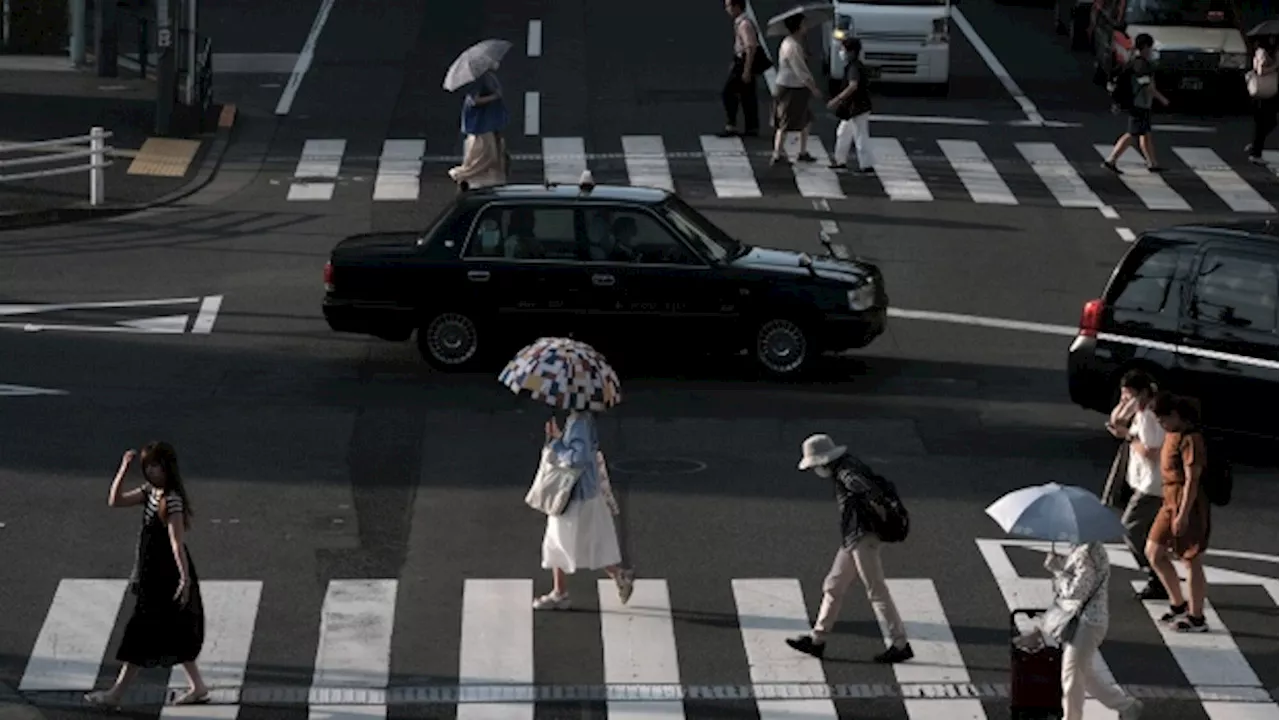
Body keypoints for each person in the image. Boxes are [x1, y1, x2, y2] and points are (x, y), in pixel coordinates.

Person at [85, 442, 208, 709]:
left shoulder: (171, 498)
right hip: (151, 571)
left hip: (164, 576)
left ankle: (116, 695)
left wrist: (184, 578)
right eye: (149, 466)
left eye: (157, 466)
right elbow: (115, 501)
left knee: (140, 633)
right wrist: (123, 469)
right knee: (174, 630)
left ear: (168, 468)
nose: (152, 471)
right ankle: (197, 686)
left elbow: (176, 542)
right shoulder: (151, 491)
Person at [785, 434, 914, 663]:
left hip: (862, 536)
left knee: (876, 590)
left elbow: (870, 493)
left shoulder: (847, 474)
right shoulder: (848, 465)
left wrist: (879, 517)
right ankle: (817, 640)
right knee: (834, 585)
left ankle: (899, 643)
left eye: (815, 465)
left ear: (824, 461)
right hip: (854, 537)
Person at [533, 410, 635, 610]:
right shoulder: (584, 420)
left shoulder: (578, 422)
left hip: (574, 494)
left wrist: (556, 442)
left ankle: (560, 593)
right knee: (588, 541)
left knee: (557, 541)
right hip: (587, 493)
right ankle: (617, 575)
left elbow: (577, 459)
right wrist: (562, 437)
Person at [1044, 542, 1144, 720]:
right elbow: (1083, 576)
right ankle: (1126, 706)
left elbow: (1078, 590)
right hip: (1091, 620)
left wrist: (1057, 572)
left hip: (1086, 622)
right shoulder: (1089, 547)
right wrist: (1062, 565)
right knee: (1084, 673)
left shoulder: (1085, 552)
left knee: (1072, 675)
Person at [1146, 392, 1211, 632]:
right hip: (1169, 500)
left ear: (1175, 415)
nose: (1161, 425)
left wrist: (1182, 514)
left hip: (1187, 503)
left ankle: (1196, 617)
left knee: (1190, 559)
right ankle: (1178, 603)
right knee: (1153, 552)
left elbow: (1192, 480)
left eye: (1163, 420)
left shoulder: (1190, 439)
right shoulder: (1172, 435)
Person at [1105, 370, 1167, 600]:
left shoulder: (1151, 416)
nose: (1126, 400)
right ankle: (1159, 574)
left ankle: (1156, 573)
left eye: (1130, 395)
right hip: (1142, 481)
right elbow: (1116, 420)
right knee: (1146, 531)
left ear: (1143, 393)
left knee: (1130, 527)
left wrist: (1128, 436)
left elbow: (1153, 451)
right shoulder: (1142, 412)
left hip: (1153, 486)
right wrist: (1124, 407)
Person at [1102, 33, 1168, 174]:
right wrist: (1162, 99)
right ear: (1145, 47)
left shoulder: (1135, 61)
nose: (1151, 51)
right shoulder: (1141, 65)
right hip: (1138, 104)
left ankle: (1152, 163)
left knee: (1145, 134)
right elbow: (1148, 87)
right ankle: (1111, 160)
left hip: (1141, 104)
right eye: (1150, 47)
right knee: (1132, 134)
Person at [770, 13, 823, 166]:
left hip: (796, 88)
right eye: (804, 23)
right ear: (798, 26)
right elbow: (800, 71)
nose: (806, 26)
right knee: (785, 123)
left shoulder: (794, 43)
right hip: (790, 88)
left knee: (806, 120)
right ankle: (777, 155)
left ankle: (802, 151)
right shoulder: (792, 46)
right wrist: (813, 88)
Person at [448, 67, 509, 190]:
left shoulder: (488, 76)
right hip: (482, 124)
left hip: (488, 122)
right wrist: (494, 97)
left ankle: (469, 175)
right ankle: (461, 174)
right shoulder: (479, 80)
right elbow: (474, 101)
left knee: (484, 154)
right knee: (489, 156)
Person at [827, 36, 875, 173]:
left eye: (843, 49)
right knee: (843, 133)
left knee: (860, 136)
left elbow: (853, 86)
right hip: (853, 108)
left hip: (857, 107)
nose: (841, 52)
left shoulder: (854, 67)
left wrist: (837, 99)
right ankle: (840, 161)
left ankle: (866, 165)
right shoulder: (854, 66)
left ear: (851, 52)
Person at [719, 0, 762, 138]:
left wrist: (746, 69)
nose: (726, 9)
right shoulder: (740, 22)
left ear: (736, 6)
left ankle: (732, 125)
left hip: (744, 61)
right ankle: (752, 127)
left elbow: (750, 47)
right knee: (746, 94)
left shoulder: (744, 24)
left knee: (728, 92)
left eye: (728, 6)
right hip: (740, 60)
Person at [1247, 35, 1279, 164]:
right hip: (1264, 92)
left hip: (1271, 91)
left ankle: (1255, 145)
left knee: (1268, 122)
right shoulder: (1262, 52)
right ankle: (1255, 152)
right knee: (1264, 122)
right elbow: (1260, 71)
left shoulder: (1272, 51)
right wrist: (1276, 65)